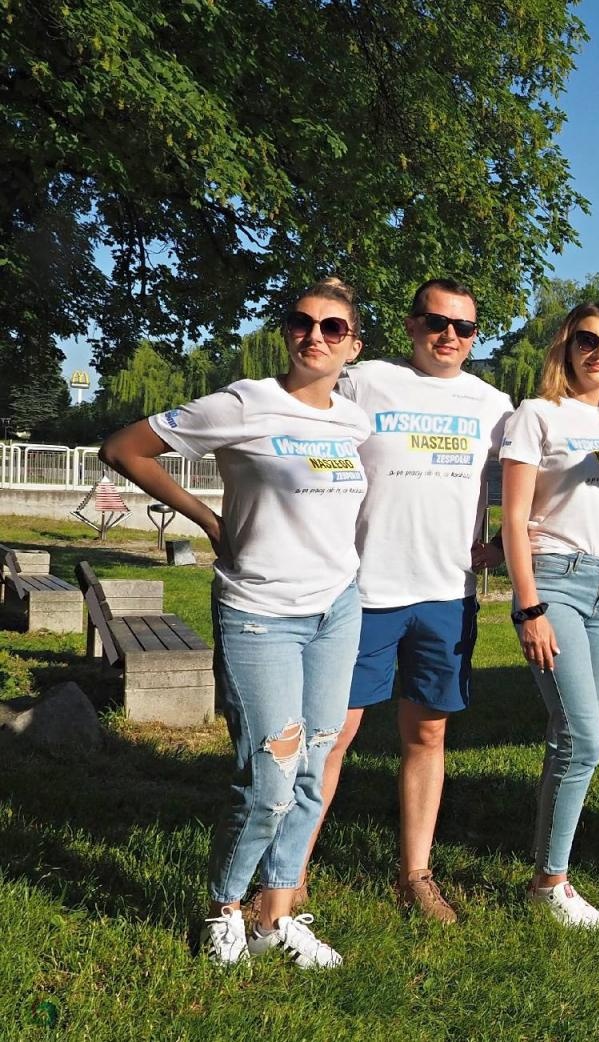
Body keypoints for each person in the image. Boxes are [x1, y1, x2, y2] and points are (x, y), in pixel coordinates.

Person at [99, 277, 371, 968]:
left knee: (314, 765)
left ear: (353, 346)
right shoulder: (247, 402)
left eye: (332, 328)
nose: (315, 336)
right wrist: (208, 520)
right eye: (302, 322)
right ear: (286, 331)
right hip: (261, 613)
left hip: (336, 608)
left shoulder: (354, 421)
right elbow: (124, 448)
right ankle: (224, 909)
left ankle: (275, 917)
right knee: (271, 775)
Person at [298, 278, 513, 923]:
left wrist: (507, 543)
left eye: (464, 327)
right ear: (412, 325)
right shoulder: (366, 383)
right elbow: (309, 441)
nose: (449, 335)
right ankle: (292, 872)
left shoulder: (494, 404)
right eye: (435, 322)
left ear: (475, 338)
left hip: (448, 593)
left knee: (428, 734)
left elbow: (530, 483)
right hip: (365, 591)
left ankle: (416, 874)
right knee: (331, 737)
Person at [499, 303, 599, 928]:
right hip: (555, 583)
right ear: (565, 347)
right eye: (587, 341)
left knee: (572, 737)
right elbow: (511, 519)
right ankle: (551, 882)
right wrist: (529, 605)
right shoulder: (535, 415)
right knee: (583, 739)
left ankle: (549, 869)